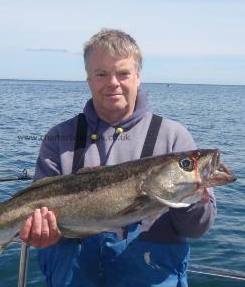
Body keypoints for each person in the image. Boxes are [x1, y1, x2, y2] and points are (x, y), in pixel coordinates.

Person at [19, 29, 216, 286]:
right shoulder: (60, 137)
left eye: (123, 73)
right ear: (88, 79)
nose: (113, 82)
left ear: (138, 77)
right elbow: (42, 221)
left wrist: (193, 198)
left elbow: (197, 229)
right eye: (101, 74)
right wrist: (42, 234)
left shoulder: (173, 137)